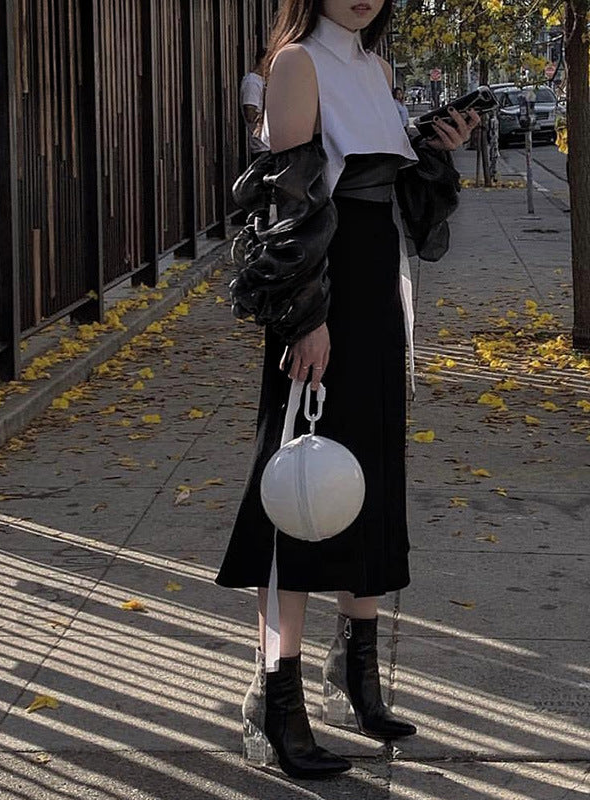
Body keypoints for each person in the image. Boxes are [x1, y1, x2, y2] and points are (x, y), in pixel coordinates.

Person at [216, 0, 479, 780]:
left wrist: (434, 152)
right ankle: (275, 698)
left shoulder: (377, 67)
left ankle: (355, 675)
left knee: (369, 480)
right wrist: (305, 318)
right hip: (323, 299)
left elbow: (389, 198)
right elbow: (289, 202)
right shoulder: (297, 64)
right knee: (297, 495)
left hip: (377, 293)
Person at [239, 47, 269, 159]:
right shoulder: (252, 82)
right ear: (263, 60)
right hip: (263, 147)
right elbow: (250, 115)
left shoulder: (261, 81)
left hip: (269, 146)